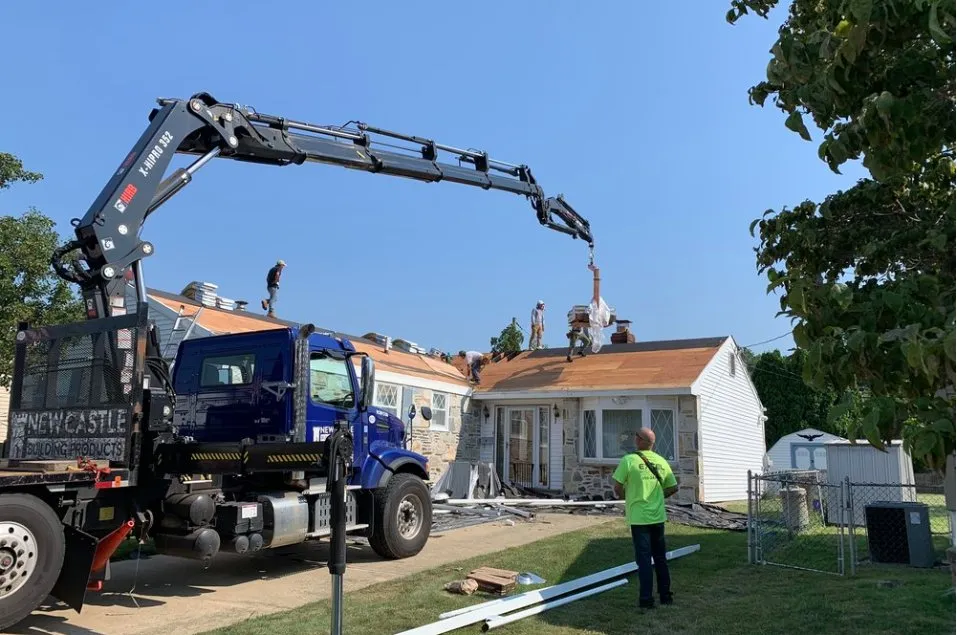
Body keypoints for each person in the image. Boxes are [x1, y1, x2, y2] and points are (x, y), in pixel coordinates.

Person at [612, 428, 679, 609]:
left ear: (639, 440)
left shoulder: (628, 461)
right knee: (660, 558)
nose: (634, 439)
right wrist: (657, 497)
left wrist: (628, 496)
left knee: (643, 560)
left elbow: (617, 488)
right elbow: (673, 487)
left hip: (639, 518)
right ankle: (666, 596)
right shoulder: (661, 461)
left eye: (636, 436)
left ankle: (646, 600)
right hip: (657, 517)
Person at [566, 263, 612, 362]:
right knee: (572, 345)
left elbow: (586, 326)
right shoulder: (575, 318)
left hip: (580, 333)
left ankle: (581, 351)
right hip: (575, 333)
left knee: (587, 341)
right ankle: (569, 356)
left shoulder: (582, 318)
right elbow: (575, 321)